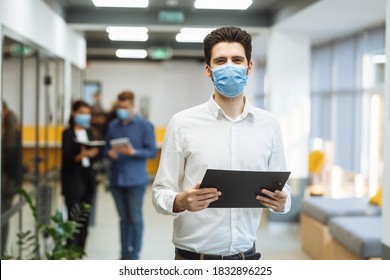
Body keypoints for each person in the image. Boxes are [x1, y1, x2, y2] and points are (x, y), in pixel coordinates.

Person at [152, 26, 292, 260]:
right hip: (193, 261)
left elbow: (282, 188)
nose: (230, 67)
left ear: (249, 67)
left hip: (246, 258)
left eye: (237, 60)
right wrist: (180, 200)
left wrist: (282, 202)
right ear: (209, 70)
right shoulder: (182, 123)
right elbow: (159, 193)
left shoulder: (269, 125)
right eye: (220, 61)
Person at [104, 91, 157, 260]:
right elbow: (105, 148)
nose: (122, 110)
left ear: (134, 106)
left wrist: (134, 152)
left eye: (125, 107)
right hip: (116, 179)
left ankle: (134, 255)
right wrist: (110, 153)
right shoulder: (113, 125)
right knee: (123, 219)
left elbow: (152, 151)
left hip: (136, 180)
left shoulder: (145, 125)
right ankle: (124, 253)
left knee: (135, 218)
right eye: (119, 107)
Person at [61, 100, 100, 253]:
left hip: (88, 179)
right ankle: (70, 251)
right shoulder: (67, 134)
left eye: (87, 113)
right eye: (82, 113)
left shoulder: (89, 132)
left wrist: (94, 153)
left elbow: (94, 156)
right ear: (74, 113)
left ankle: (80, 251)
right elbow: (67, 158)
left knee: (85, 220)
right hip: (73, 181)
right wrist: (82, 154)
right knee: (73, 218)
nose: (85, 116)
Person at [1, 100, 21, 256]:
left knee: (3, 217)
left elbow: (9, 160)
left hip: (6, 184)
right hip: (8, 182)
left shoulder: (10, 131)